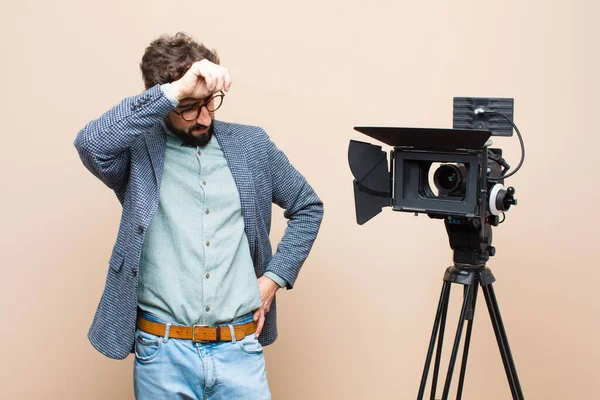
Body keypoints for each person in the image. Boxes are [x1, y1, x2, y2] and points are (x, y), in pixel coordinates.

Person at [74, 32, 323, 399]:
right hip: (162, 354)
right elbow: (90, 143)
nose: (204, 117)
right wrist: (173, 92)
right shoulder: (137, 150)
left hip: (240, 349)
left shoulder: (251, 145)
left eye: (210, 102)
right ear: (163, 101)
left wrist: (274, 278)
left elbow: (308, 206)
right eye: (189, 106)